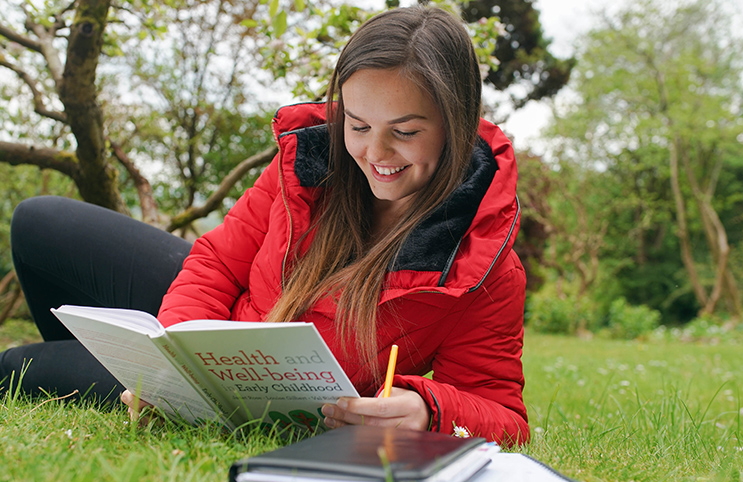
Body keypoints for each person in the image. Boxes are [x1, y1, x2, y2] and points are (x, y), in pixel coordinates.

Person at [0, 6, 529, 445]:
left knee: (19, 368)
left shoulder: (480, 260)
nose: (375, 153)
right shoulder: (308, 165)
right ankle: (114, 369)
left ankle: (99, 377)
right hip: (212, 340)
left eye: (406, 132)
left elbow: (502, 412)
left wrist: (425, 409)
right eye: (358, 125)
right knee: (39, 220)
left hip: (256, 397)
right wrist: (179, 355)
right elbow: (214, 261)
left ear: (456, 123)